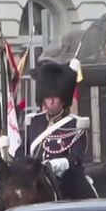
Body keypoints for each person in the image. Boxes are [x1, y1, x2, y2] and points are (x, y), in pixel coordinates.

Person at [27, 60, 94, 199]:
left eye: (55, 97)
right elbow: (23, 150)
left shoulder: (75, 124)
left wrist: (54, 165)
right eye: (47, 97)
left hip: (63, 179)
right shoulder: (34, 122)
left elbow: (75, 159)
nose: (50, 102)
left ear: (63, 99)